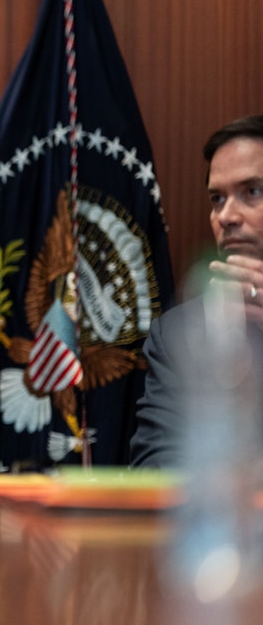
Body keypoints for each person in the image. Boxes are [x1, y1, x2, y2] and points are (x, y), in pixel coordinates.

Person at [130, 115, 263, 467]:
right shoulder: (177, 333)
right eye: (217, 199)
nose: (226, 216)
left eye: (252, 191)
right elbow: (155, 465)